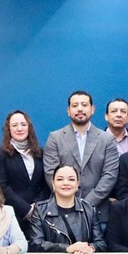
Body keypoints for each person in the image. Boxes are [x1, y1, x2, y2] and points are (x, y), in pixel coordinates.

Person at [43, 91, 120, 221]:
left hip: (98, 213)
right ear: (68, 111)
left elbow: (110, 175)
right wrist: (71, 202)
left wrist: (86, 204)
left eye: (84, 105)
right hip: (62, 213)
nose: (80, 109)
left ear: (92, 109)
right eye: (75, 105)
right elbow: (51, 173)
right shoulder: (55, 138)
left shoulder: (107, 139)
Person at [0, 110, 49, 233]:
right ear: (8, 130)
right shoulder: (0, 155)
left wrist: (37, 207)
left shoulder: (40, 153)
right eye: (14, 125)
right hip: (12, 215)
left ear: (29, 128)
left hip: (39, 216)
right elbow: (1, 186)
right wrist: (26, 210)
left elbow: (46, 183)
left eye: (23, 124)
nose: (19, 128)